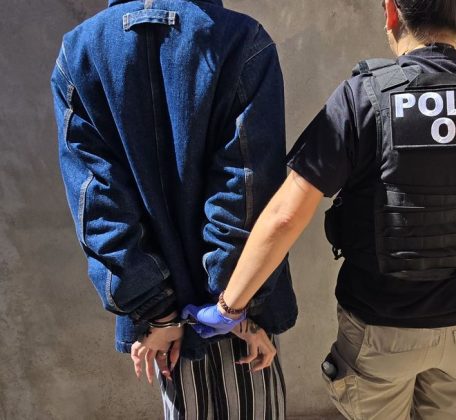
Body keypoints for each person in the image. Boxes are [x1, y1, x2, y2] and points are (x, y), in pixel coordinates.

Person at [189, 0, 456, 419]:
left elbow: (285, 216)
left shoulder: (364, 97)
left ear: (391, 12)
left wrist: (229, 308)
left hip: (384, 331)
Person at [51, 0, 297, 418]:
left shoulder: (80, 52)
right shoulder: (241, 40)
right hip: (235, 316)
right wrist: (237, 310)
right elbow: (246, 190)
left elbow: (97, 207)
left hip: (163, 331)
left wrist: (157, 311)